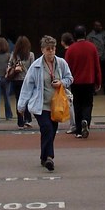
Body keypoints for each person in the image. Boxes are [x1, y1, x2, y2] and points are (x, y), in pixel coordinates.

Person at [18, 34, 73, 172]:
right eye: (48, 49)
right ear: (42, 50)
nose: (51, 52)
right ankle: (49, 157)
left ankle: (43, 156)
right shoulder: (36, 66)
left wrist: (61, 82)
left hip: (56, 104)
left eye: (53, 49)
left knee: (51, 130)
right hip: (40, 104)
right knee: (47, 128)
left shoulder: (61, 63)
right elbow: (27, 86)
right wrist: (21, 105)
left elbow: (70, 78)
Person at [65, 25, 101, 138]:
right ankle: (86, 121)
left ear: (74, 35)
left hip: (75, 82)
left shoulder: (71, 49)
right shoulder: (92, 47)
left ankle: (79, 130)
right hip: (89, 80)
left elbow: (67, 67)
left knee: (77, 104)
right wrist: (98, 81)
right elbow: (97, 66)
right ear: (85, 34)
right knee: (88, 104)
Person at [7, 35, 34, 128]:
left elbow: (9, 65)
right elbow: (33, 68)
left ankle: (20, 121)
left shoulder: (14, 54)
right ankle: (28, 119)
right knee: (27, 99)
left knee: (19, 100)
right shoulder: (30, 55)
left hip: (16, 80)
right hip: (27, 80)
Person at [86, 21, 105, 95]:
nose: (100, 27)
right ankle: (93, 90)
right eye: (98, 26)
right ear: (95, 26)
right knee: (94, 74)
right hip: (95, 57)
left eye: (101, 26)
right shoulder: (90, 36)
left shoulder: (104, 33)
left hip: (104, 56)